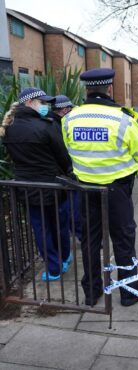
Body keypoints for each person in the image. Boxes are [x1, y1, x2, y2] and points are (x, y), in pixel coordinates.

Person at [61, 68, 138, 307]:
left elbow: (69, 149)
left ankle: (92, 292)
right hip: (117, 191)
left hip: (86, 190)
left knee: (90, 241)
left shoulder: (70, 118)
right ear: (109, 88)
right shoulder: (123, 119)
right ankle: (129, 293)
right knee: (123, 241)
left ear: (86, 90)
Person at [0, 88, 72, 281]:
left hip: (28, 188)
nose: (45, 106)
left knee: (41, 228)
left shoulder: (8, 128)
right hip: (53, 185)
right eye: (42, 102)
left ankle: (54, 268)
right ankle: (65, 257)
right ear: (30, 103)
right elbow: (63, 157)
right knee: (59, 224)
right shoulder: (46, 125)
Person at [49, 95, 82, 242]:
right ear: (64, 110)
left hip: (61, 174)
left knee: (69, 210)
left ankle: (76, 234)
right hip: (66, 174)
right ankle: (81, 235)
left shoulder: (52, 123)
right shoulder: (57, 125)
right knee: (73, 210)